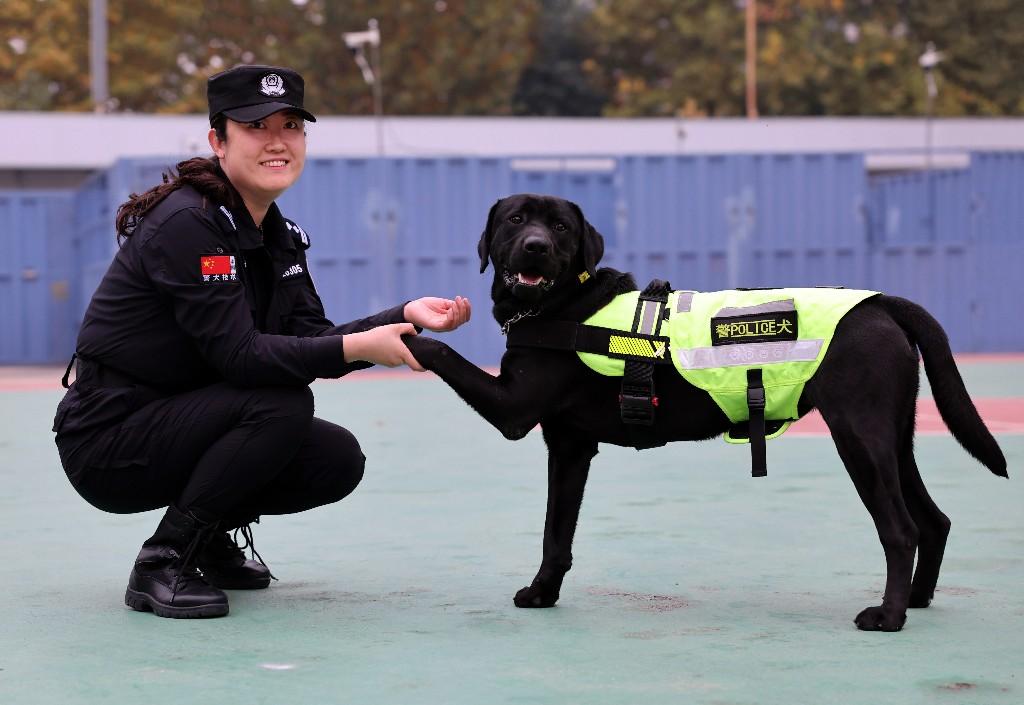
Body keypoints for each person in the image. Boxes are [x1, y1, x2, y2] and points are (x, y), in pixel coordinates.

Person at [52, 64, 471, 619]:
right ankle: (164, 560)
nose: (277, 141)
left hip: (180, 418)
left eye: (291, 125)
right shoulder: (189, 224)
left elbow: (313, 339)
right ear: (218, 142)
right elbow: (242, 358)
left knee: (335, 458)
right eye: (255, 126)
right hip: (109, 436)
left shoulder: (277, 233)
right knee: (278, 402)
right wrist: (362, 347)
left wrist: (403, 315)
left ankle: (207, 540)